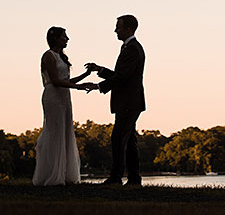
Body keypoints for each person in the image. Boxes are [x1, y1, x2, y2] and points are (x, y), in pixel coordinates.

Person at [86, 14, 146, 187]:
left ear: (128, 29)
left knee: (118, 138)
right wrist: (101, 70)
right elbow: (120, 75)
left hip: (129, 102)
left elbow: (123, 77)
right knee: (130, 141)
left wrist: (99, 86)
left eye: (118, 27)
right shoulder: (128, 48)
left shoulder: (133, 49)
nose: (115, 30)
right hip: (130, 102)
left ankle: (116, 177)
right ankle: (134, 179)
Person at [32, 26, 97, 186]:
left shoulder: (62, 57)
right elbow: (55, 81)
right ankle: (51, 174)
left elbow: (66, 81)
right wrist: (79, 87)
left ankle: (64, 173)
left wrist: (84, 77)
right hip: (53, 96)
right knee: (54, 131)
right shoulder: (48, 56)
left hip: (64, 97)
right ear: (55, 38)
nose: (67, 39)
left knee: (65, 130)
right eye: (64, 36)